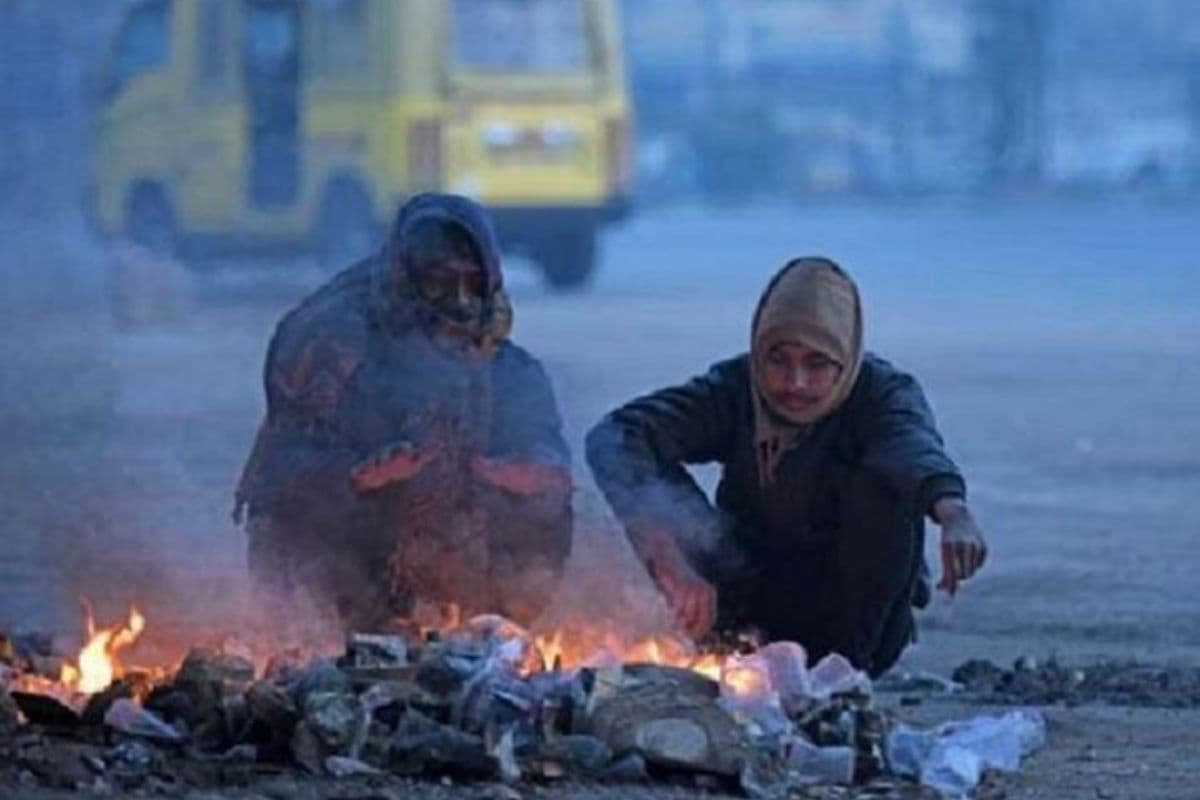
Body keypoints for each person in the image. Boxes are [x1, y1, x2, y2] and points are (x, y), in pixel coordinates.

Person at [586, 257, 986, 676]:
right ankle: (730, 649)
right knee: (657, 491)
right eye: (778, 360)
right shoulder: (735, 388)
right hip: (747, 604)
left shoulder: (879, 394)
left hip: (850, 618)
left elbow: (909, 446)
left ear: (845, 359)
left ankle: (841, 679)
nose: (795, 383)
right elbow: (620, 435)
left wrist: (951, 508)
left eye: (817, 365)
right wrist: (667, 557)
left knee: (883, 488)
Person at [235, 194, 572, 631]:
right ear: (406, 279)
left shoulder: (508, 367)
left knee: (541, 505)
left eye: (472, 283)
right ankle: (336, 635)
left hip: (450, 553)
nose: (458, 302)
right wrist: (361, 476)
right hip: (342, 556)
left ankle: (483, 632)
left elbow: (543, 450)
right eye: (437, 282)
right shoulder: (333, 346)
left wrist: (530, 473)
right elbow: (280, 475)